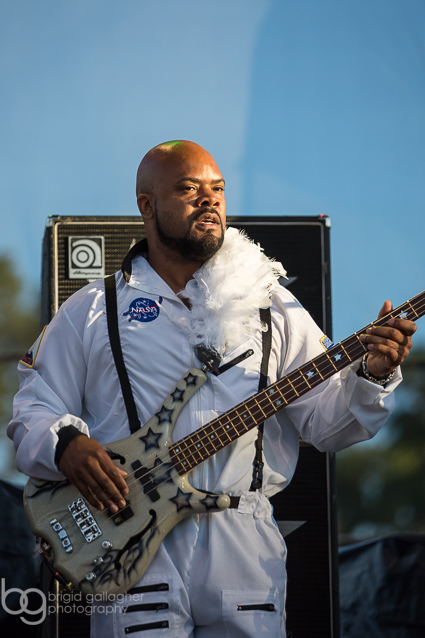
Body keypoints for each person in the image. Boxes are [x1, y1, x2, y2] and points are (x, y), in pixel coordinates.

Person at [8, 140, 416, 637]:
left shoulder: (273, 306)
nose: (209, 199)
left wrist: (372, 374)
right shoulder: (93, 309)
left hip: (242, 540)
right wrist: (66, 445)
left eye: (217, 189)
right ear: (147, 205)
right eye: (188, 189)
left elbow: (328, 427)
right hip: (128, 536)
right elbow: (33, 407)